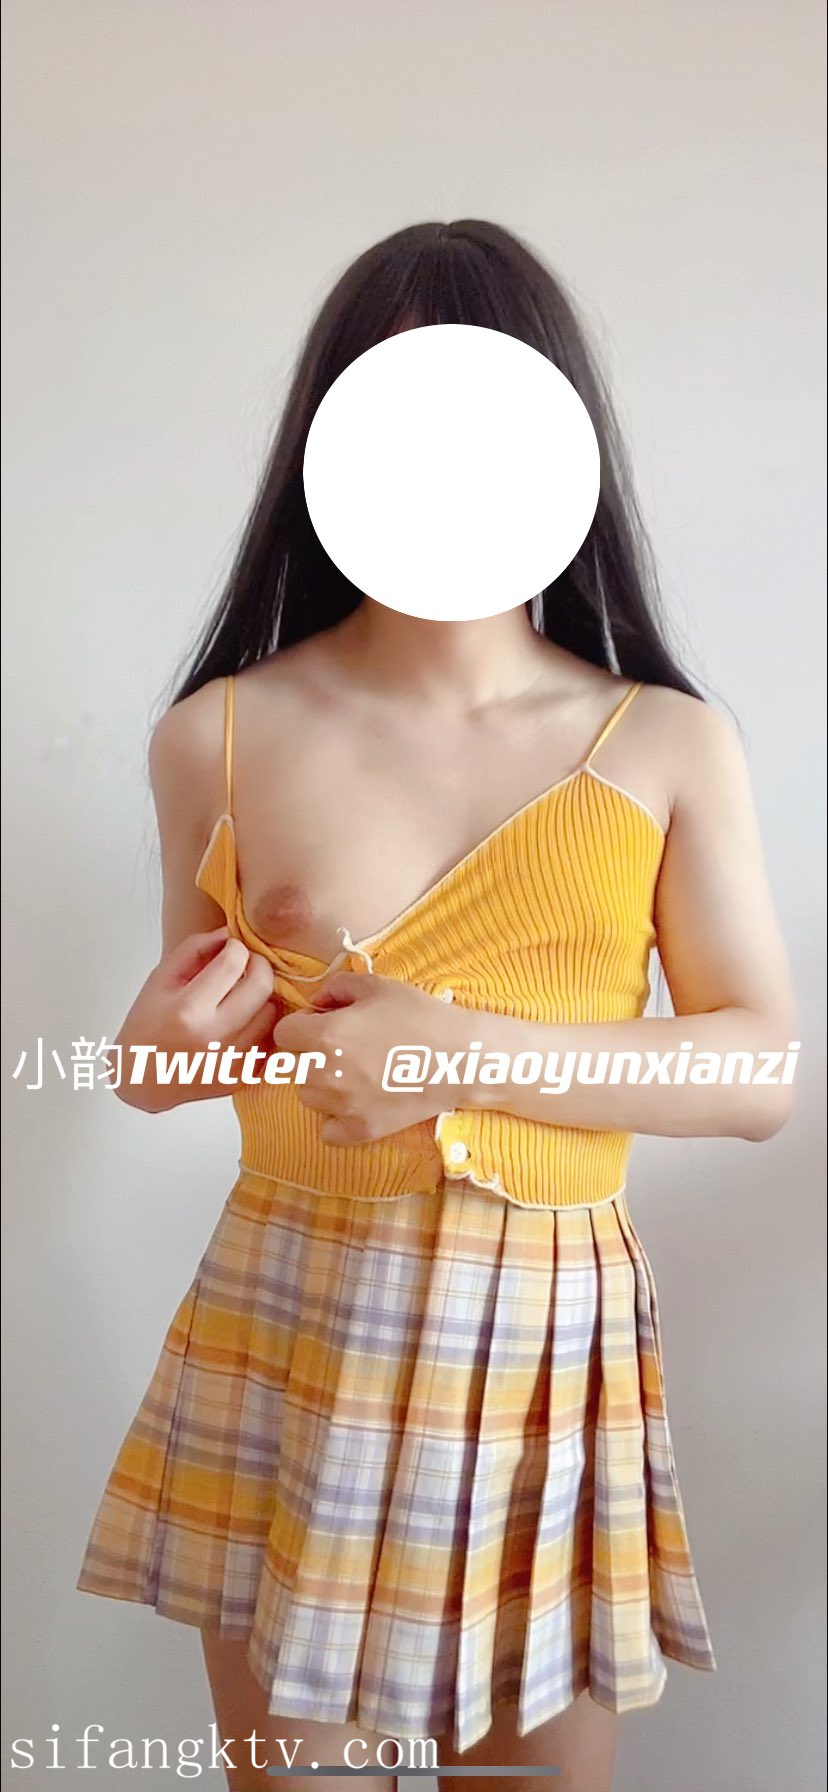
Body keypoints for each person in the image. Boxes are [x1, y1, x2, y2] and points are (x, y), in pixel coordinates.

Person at [76, 221, 795, 1792]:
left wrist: (459, 1052)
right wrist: (147, 1056)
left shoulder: (665, 743)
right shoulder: (217, 738)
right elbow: (178, 1054)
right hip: (294, 1321)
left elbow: (760, 1071)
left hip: (545, 1340)